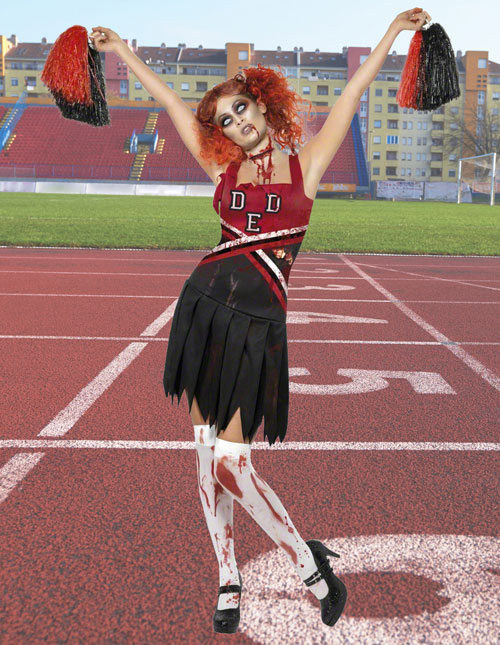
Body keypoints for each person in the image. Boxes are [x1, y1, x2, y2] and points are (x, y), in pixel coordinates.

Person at [90, 8, 431, 633]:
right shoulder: (221, 169)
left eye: (241, 107)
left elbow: (354, 93)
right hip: (203, 315)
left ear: (263, 105)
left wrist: (393, 34)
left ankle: (308, 563)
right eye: (222, 118)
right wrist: (125, 53)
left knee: (232, 463)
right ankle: (227, 577)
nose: (234, 121)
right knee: (203, 463)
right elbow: (168, 100)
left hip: (256, 327)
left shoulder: (310, 163)